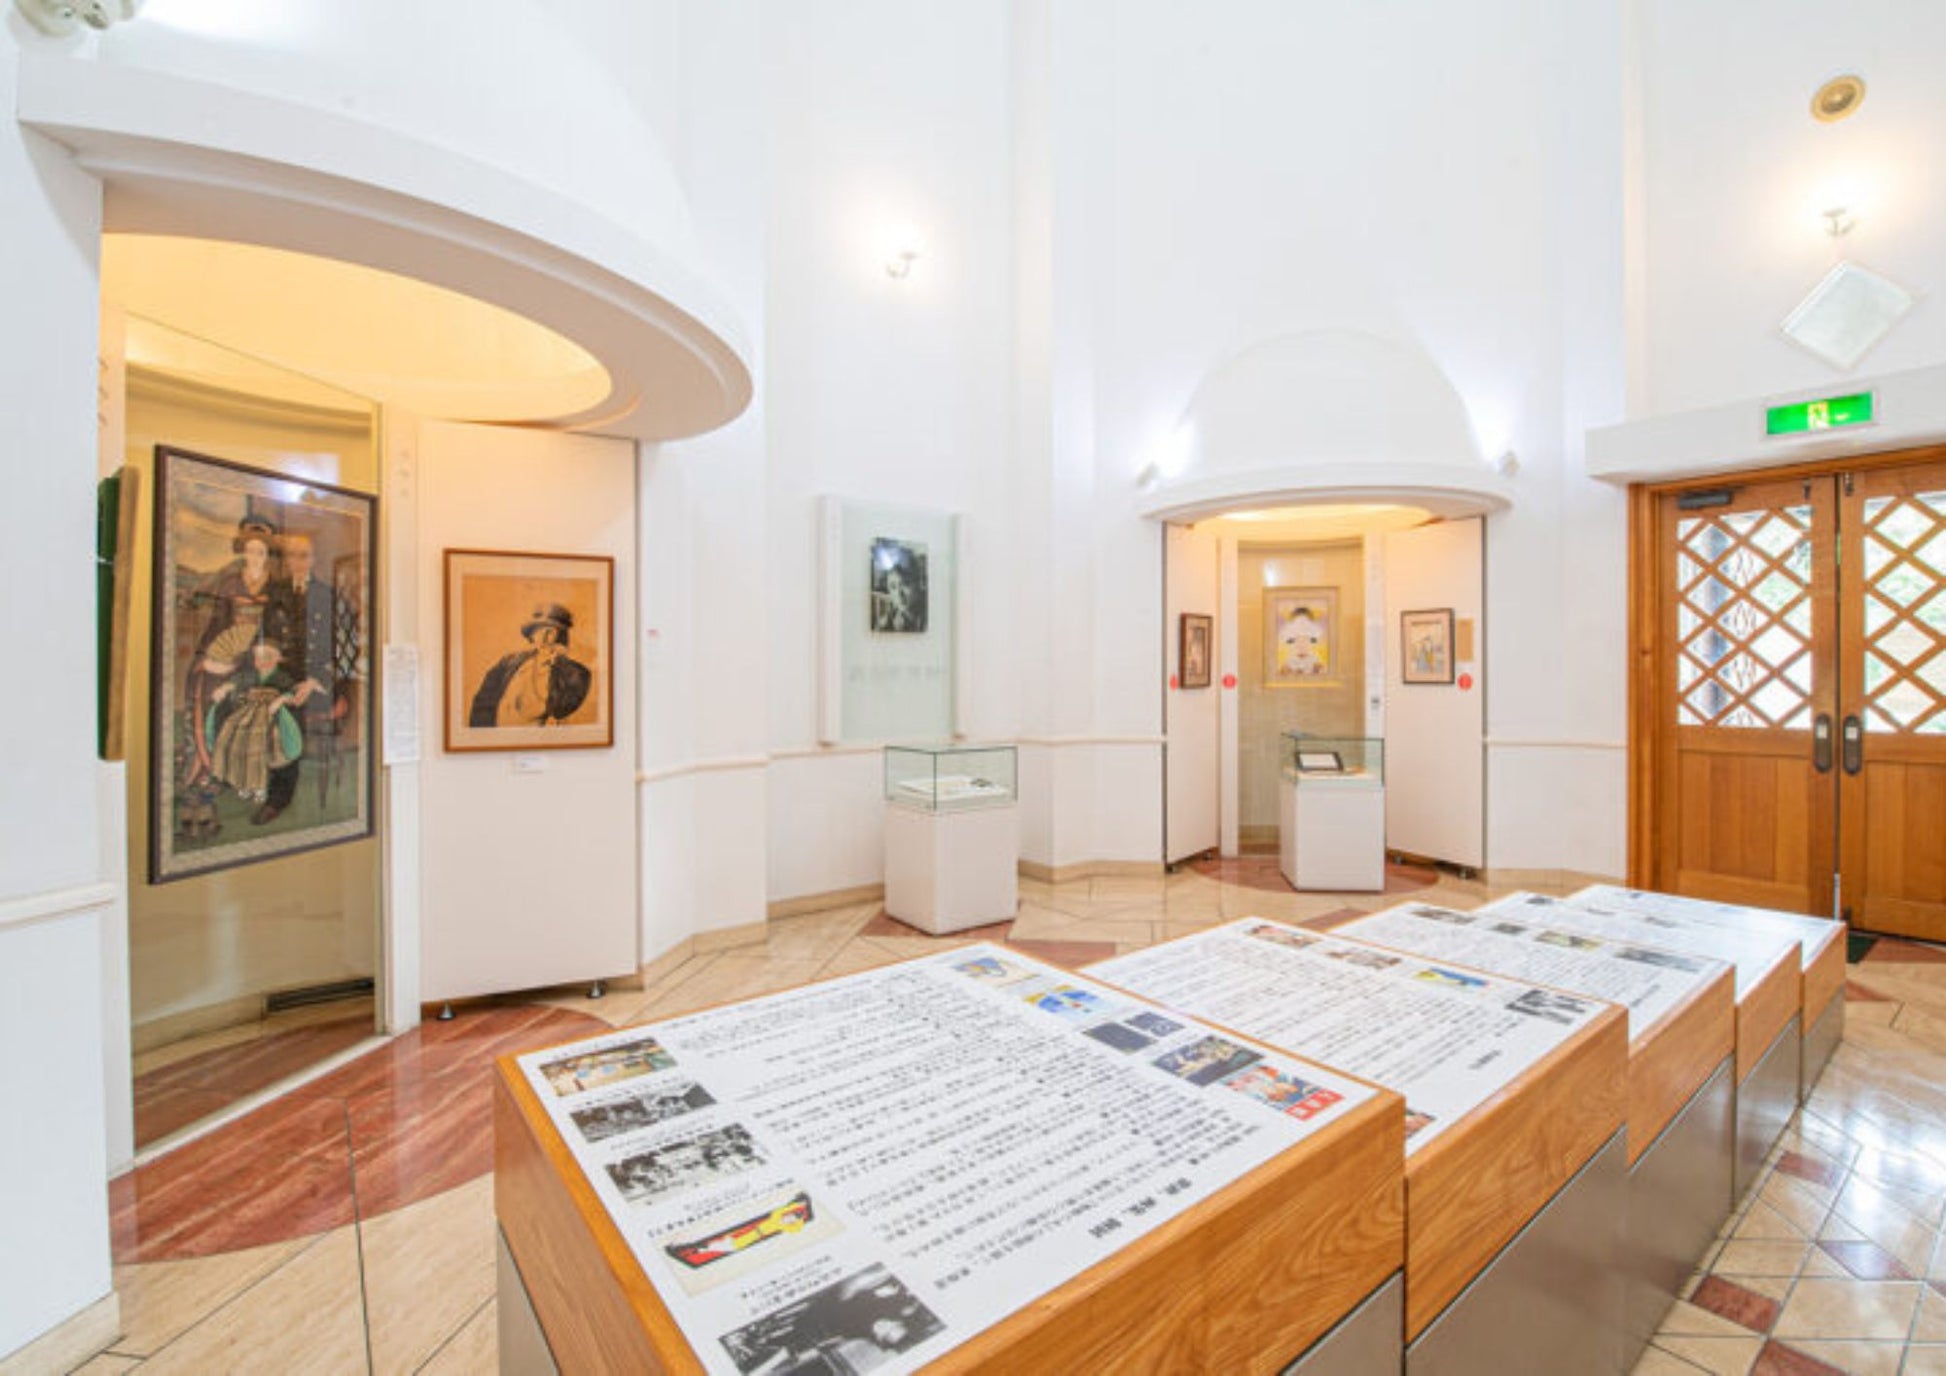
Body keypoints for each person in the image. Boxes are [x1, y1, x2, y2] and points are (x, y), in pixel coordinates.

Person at [263, 531, 356, 815]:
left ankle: (279, 797)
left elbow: (346, 648)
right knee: (265, 707)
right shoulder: (275, 593)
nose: (298, 561)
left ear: (313, 559)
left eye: (304, 556)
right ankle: (264, 786)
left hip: (321, 681)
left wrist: (315, 681)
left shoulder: (326, 595)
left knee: (287, 714)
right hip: (282, 677)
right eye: (292, 555)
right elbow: (264, 639)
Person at [204, 637, 304, 822]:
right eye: (257, 657)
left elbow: (294, 692)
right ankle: (234, 778)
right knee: (231, 733)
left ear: (279, 658)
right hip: (250, 715)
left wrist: (281, 700)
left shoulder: (283, 677)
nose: (261, 661)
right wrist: (224, 688)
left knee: (272, 747)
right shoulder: (250, 675)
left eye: (267, 656)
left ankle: (276, 799)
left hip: (275, 717)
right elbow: (236, 682)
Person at [468, 603, 593, 727]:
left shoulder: (572, 672)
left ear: (560, 636)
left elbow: (563, 709)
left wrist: (559, 665)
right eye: (538, 631)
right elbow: (483, 701)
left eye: (550, 632)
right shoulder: (509, 662)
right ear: (532, 635)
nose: (543, 638)